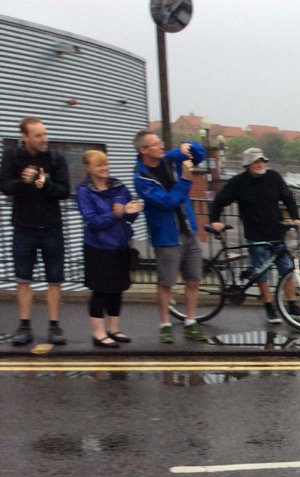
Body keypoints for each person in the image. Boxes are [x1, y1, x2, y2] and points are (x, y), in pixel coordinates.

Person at [208, 147, 300, 324]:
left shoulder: (274, 177)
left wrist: (296, 217)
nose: (260, 164)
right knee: (262, 273)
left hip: (276, 232)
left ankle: (292, 305)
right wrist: (214, 220)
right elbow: (220, 199)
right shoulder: (239, 182)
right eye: (256, 162)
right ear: (247, 164)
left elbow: (288, 197)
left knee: (288, 269)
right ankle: (269, 307)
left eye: (263, 161)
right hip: (255, 234)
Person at [0, 117, 70, 347]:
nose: (44, 139)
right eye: (38, 135)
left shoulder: (55, 157)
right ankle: (24, 325)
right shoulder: (12, 156)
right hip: (23, 227)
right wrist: (24, 181)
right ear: (25, 137)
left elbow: (64, 191)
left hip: (52, 226)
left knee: (54, 279)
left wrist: (45, 185)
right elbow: (5, 187)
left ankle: (54, 325)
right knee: (23, 279)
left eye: (45, 134)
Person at [132, 130, 207, 343]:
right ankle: (165, 324)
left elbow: (199, 155)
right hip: (166, 236)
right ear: (143, 150)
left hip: (188, 230)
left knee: (193, 279)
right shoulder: (141, 178)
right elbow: (167, 202)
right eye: (156, 144)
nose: (161, 146)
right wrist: (184, 180)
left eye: (161, 142)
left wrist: (188, 146)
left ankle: (191, 322)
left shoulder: (169, 159)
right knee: (167, 282)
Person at [75, 150, 142, 348]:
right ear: (88, 168)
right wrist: (114, 214)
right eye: (99, 165)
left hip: (119, 245)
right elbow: (92, 221)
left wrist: (132, 211)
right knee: (100, 290)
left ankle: (113, 329)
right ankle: (98, 332)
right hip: (98, 247)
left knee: (117, 289)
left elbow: (128, 215)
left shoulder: (118, 186)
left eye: (105, 164)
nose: (104, 168)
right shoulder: (84, 191)